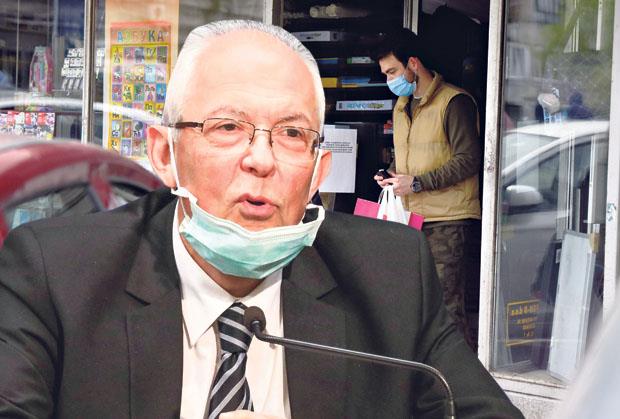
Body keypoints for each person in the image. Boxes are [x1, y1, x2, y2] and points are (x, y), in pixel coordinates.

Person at [0, 20, 522, 418]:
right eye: (227, 127)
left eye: (292, 134)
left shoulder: (391, 277)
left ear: (318, 172)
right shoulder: (55, 275)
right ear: (164, 153)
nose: (261, 160)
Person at [374, 29, 482, 349]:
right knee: (414, 305)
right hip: (411, 218)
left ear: (413, 63)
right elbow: (410, 156)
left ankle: (459, 375)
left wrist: (417, 182)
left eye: (392, 71)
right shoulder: (402, 105)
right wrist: (391, 174)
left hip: (447, 219)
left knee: (446, 307)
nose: (389, 80)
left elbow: (468, 159)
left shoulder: (454, 101)